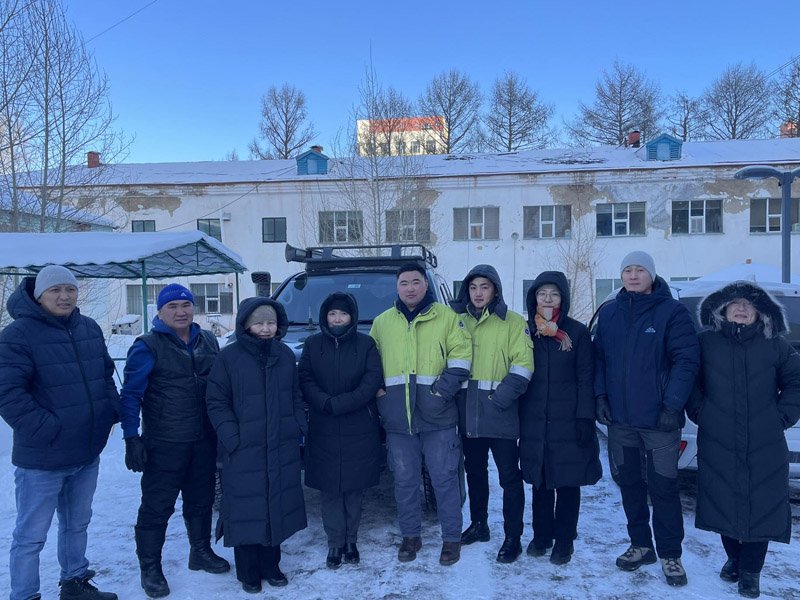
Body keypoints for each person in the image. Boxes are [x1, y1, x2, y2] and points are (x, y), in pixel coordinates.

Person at [0, 265, 118, 600]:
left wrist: (110, 412)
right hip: (43, 457)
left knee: (77, 525)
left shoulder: (89, 328)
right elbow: (7, 392)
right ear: (39, 296)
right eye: (55, 290)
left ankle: (74, 583)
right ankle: (24, 595)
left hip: (85, 452)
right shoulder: (18, 334)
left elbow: (106, 375)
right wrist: (47, 428)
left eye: (70, 289)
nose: (64, 296)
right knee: (30, 536)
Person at [687, 282, 800, 598]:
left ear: (759, 312)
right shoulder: (706, 343)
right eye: (734, 304)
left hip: (764, 440)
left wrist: (782, 417)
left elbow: (795, 381)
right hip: (718, 436)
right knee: (722, 499)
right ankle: (734, 558)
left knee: (762, 504)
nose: (740, 308)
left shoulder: (775, 345)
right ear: (722, 310)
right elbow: (690, 381)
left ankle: (751, 572)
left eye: (748, 305)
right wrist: (700, 411)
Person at [594, 251, 699, 587]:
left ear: (651, 275)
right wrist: (600, 397)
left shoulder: (672, 312)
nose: (634, 275)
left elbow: (686, 361)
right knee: (630, 486)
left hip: (659, 422)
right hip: (621, 421)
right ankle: (641, 545)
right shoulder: (609, 313)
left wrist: (673, 405)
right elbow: (599, 361)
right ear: (621, 276)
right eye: (628, 270)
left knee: (664, 488)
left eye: (640, 270)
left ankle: (671, 555)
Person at [119, 283, 229, 598]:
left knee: (201, 500)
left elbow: (220, 386)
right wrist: (131, 437)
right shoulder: (147, 345)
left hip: (203, 439)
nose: (180, 311)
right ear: (160, 312)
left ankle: (200, 551)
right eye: (172, 306)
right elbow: (131, 395)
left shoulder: (208, 340)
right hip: (165, 441)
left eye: (185, 304)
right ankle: (150, 568)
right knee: (156, 508)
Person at [370, 263, 472, 566]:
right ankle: (410, 536)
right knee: (404, 481)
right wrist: (380, 393)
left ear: (426, 285)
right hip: (398, 419)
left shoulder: (448, 319)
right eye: (404, 283)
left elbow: (462, 359)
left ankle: (452, 539)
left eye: (416, 282)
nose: (410, 288)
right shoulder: (382, 322)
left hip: (438, 417)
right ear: (397, 287)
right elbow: (371, 364)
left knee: (444, 479)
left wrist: (440, 393)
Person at [206, 298, 307, 592]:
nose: (266, 328)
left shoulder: (285, 355)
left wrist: (298, 425)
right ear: (246, 325)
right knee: (246, 507)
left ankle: (271, 565)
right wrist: (231, 436)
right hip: (243, 448)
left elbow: (295, 395)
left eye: (271, 323)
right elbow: (216, 401)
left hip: (280, 444)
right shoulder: (229, 357)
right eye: (260, 323)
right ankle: (248, 571)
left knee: (275, 502)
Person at [450, 265, 532, 563]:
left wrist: (499, 400)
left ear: (495, 289)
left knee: (510, 478)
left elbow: (523, 366)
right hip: (468, 413)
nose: (479, 292)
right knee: (475, 473)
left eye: (485, 287)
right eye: (473, 287)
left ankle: (513, 536)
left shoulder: (513, 322)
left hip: (501, 413)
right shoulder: (457, 321)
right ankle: (479, 524)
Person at [519, 271, 602, 565]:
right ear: (534, 298)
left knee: (568, 482)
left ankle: (564, 541)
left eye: (554, 293)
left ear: (563, 298)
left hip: (569, 420)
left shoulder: (576, 333)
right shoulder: (525, 331)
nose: (548, 299)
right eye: (542, 293)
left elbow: (585, 378)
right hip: (535, 420)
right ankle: (542, 536)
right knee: (539, 482)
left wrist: (585, 418)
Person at [299, 292, 383, 569]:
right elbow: (306, 379)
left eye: (343, 314)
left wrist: (342, 404)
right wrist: (324, 402)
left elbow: (371, 381)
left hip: (358, 425)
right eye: (333, 314)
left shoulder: (366, 344)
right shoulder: (312, 345)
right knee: (330, 489)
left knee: (353, 488)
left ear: (352, 317)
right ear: (325, 316)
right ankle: (334, 542)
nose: (337, 319)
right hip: (323, 425)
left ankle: (351, 540)